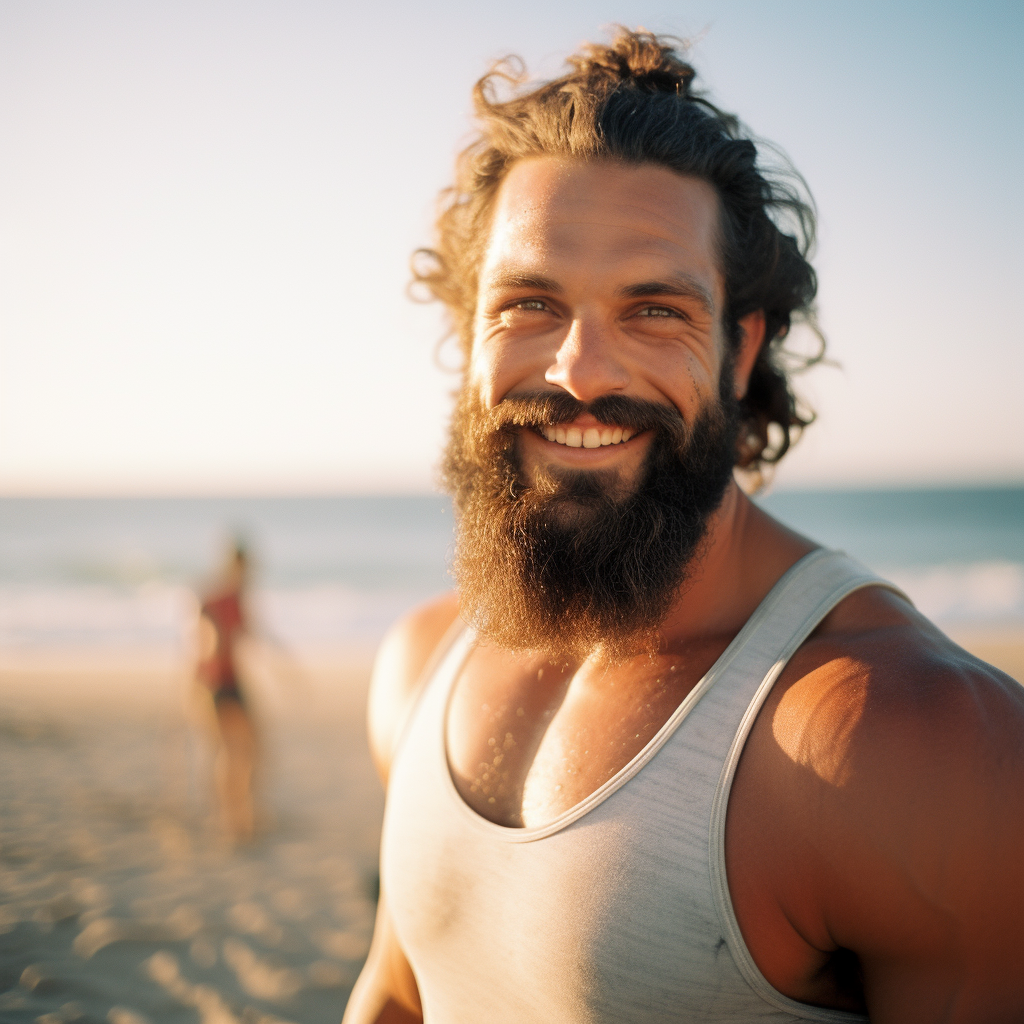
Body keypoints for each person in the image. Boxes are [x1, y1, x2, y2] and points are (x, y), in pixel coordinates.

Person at [343, 29, 1024, 1023]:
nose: (580, 372)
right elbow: (397, 995)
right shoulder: (416, 667)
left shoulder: (922, 747)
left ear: (739, 349)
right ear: (468, 329)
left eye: (653, 310)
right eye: (529, 301)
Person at [193, 538, 260, 843]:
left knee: (249, 750)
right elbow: (202, 646)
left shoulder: (236, 598)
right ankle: (229, 818)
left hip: (232, 681)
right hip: (216, 683)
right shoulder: (214, 598)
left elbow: (249, 636)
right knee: (230, 751)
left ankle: (241, 813)